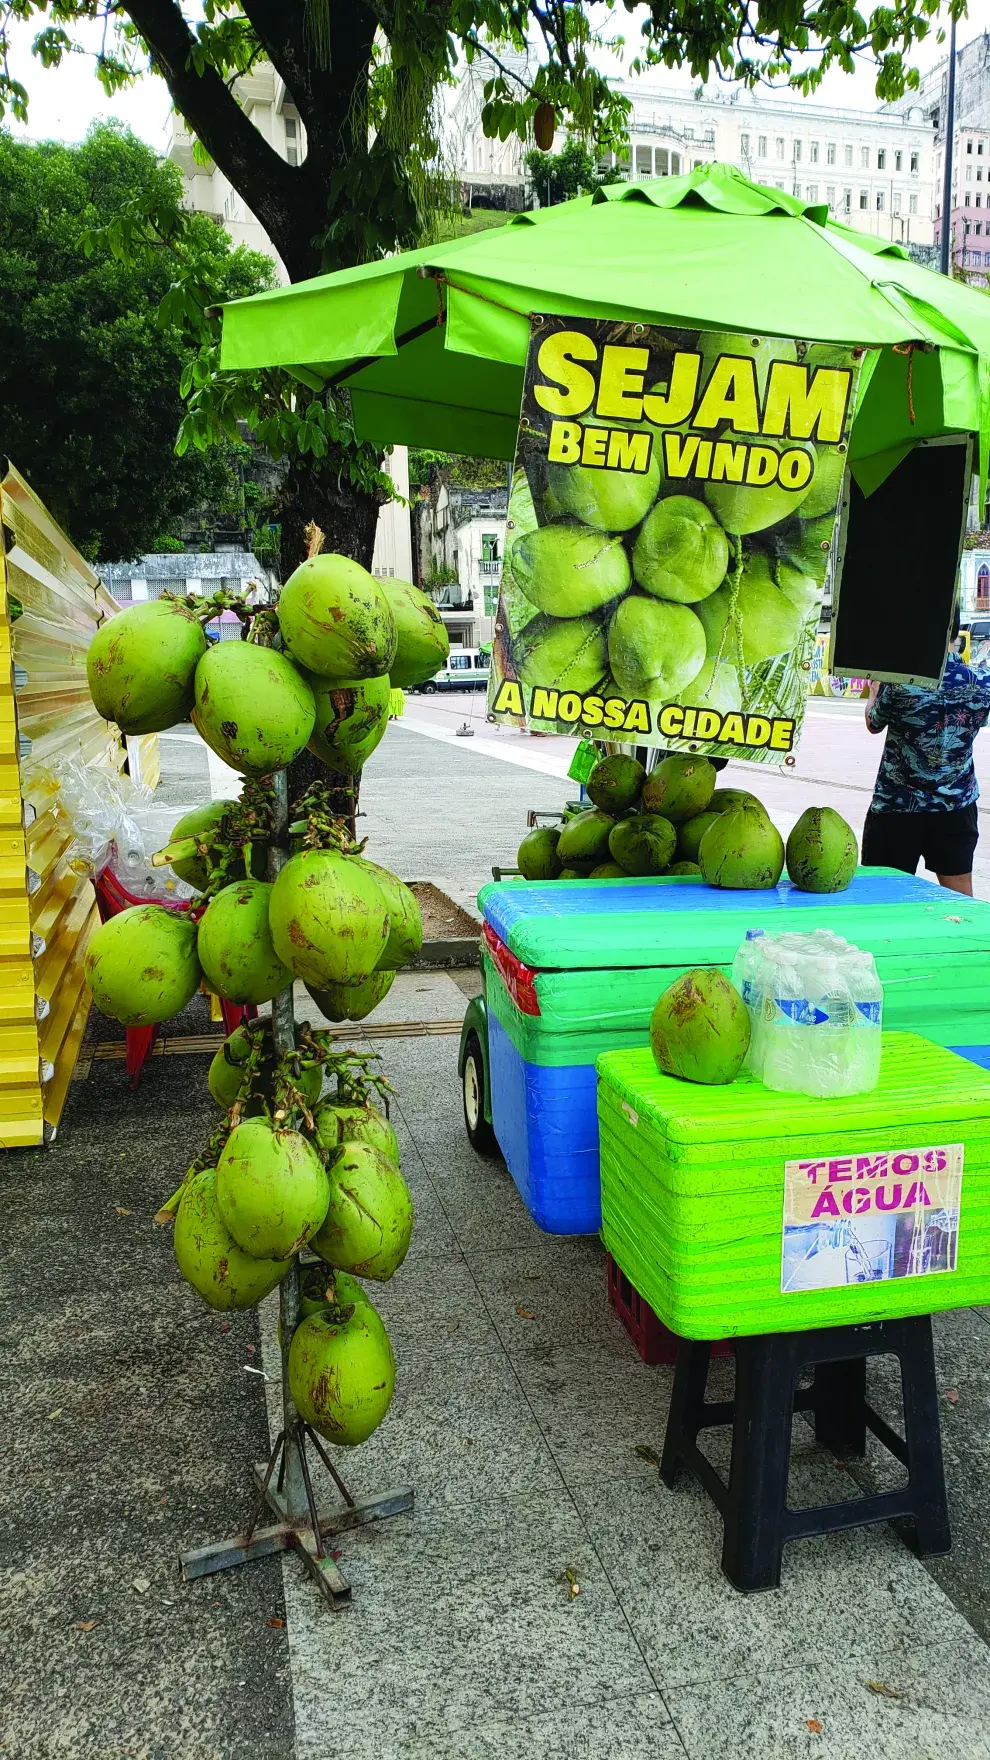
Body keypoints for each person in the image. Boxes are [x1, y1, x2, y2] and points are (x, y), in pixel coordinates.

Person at [861, 606, 990, 897]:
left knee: (881, 900)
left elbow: (873, 723)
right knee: (960, 900)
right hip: (956, 806)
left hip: (897, 808)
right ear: (955, 630)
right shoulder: (982, 683)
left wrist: (875, 688)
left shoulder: (900, 681)